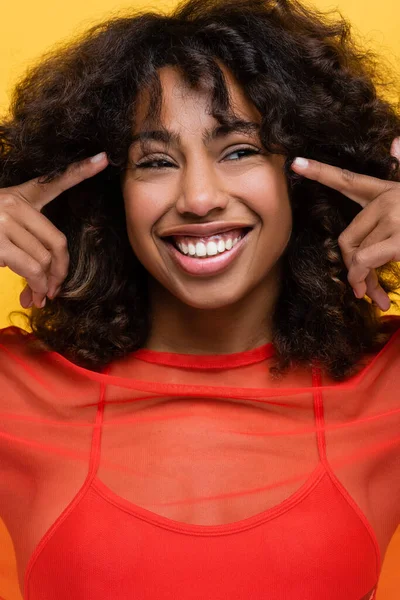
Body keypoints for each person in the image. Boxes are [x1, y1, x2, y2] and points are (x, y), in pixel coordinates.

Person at [0, 0, 399, 598]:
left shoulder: (385, 386)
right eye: (156, 162)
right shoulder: (16, 390)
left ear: (300, 179)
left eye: (238, 150)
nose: (199, 197)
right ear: (111, 198)